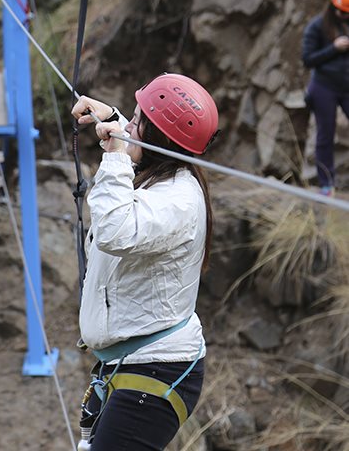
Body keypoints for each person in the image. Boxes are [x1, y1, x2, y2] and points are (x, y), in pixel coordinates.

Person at [71, 73, 219, 451]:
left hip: (157, 369)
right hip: (132, 362)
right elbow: (151, 142)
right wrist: (115, 119)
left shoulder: (178, 201)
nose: (128, 126)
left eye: (136, 120)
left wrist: (116, 156)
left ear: (157, 139)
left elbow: (115, 230)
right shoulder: (164, 171)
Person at [302, 0, 349, 196]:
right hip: (324, 87)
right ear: (332, 6)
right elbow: (308, 59)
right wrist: (334, 48)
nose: (344, 16)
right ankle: (326, 184)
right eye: (342, 12)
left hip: (346, 87)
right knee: (325, 135)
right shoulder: (317, 26)